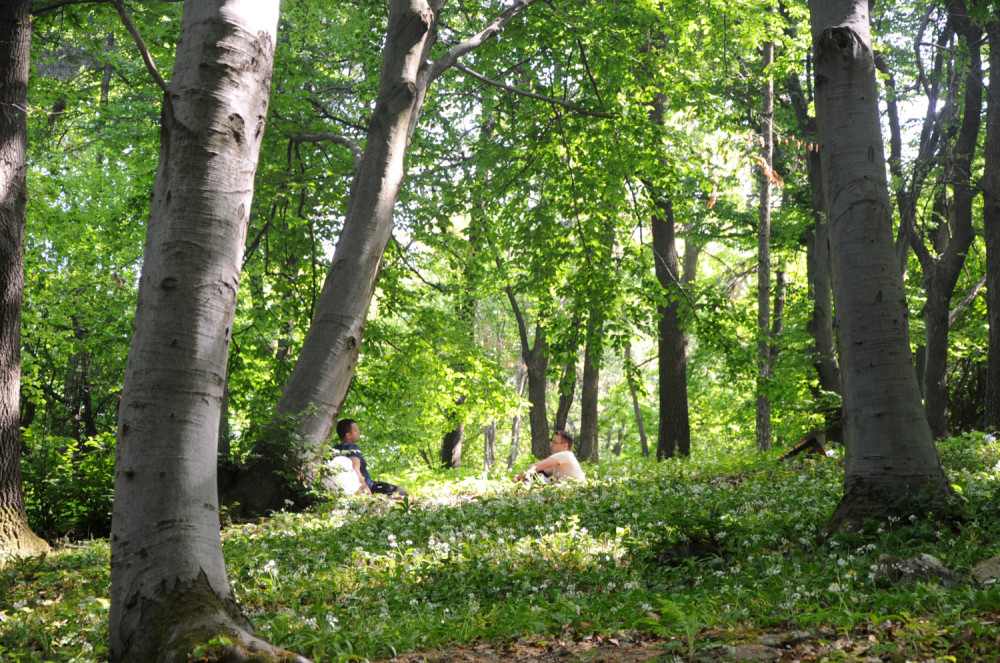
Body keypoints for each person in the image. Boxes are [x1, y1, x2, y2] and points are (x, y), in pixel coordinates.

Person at [334, 418, 408, 497]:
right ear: (348, 435)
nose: (359, 432)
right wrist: (365, 489)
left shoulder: (332, 450)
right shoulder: (352, 448)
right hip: (368, 487)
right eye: (356, 430)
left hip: (341, 487)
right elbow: (355, 469)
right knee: (399, 491)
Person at [514, 429, 585, 483]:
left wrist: (517, 478)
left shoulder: (564, 455)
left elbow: (535, 467)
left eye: (554, 442)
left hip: (572, 491)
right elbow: (540, 471)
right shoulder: (565, 457)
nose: (550, 445)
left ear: (565, 445)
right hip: (567, 490)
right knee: (537, 475)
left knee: (534, 477)